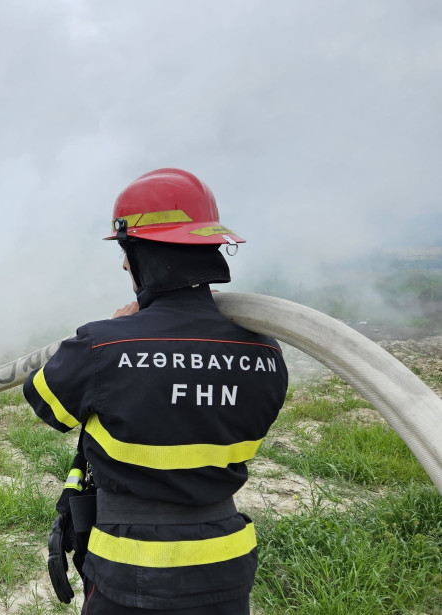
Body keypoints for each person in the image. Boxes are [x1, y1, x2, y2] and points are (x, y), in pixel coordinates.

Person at [24, 169, 288, 613]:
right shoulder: (266, 351)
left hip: (128, 569)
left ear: (143, 253)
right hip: (226, 567)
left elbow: (44, 401)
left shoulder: (103, 344)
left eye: (126, 251)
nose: (124, 264)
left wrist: (113, 332)